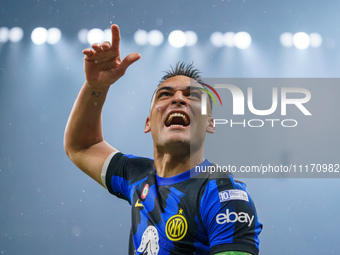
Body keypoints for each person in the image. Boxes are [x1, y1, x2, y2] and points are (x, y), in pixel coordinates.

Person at [64, 24, 262, 255]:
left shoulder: (223, 195)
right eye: (166, 94)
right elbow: (81, 145)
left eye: (192, 96)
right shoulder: (136, 175)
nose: (178, 100)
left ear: (210, 124)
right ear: (148, 123)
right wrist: (96, 87)